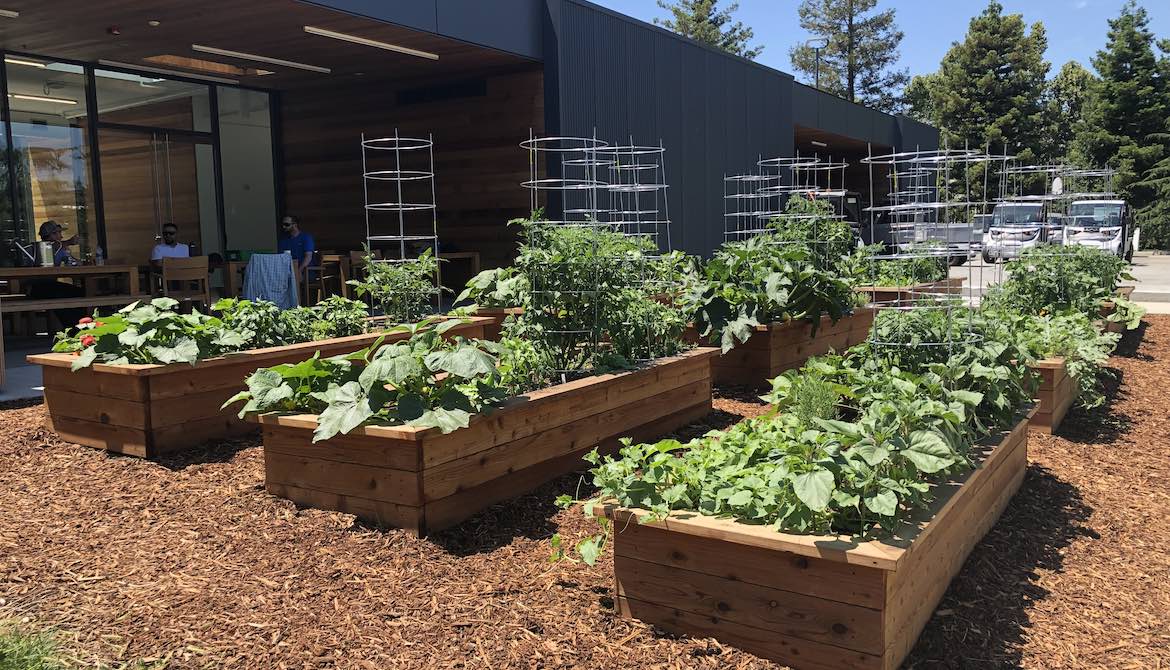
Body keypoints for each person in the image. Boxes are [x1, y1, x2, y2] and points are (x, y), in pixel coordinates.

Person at [30, 220, 85, 328]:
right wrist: (68, 243)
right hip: (38, 288)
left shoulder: (60, 249)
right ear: (52, 235)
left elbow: (73, 263)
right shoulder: (38, 249)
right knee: (65, 295)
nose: (61, 236)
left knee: (77, 293)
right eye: (58, 233)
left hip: (51, 287)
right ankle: (73, 328)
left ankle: (76, 327)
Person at [278, 215, 315, 279]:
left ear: (295, 225)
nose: (283, 227)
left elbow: (308, 257)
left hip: (305, 271)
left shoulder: (306, 237)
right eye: (283, 224)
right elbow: (281, 258)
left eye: (286, 224)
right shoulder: (283, 240)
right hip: (288, 272)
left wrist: (299, 270)